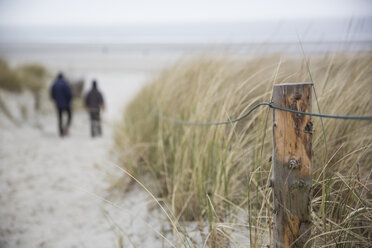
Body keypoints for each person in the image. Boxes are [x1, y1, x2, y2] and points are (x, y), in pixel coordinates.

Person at [51, 73, 73, 137]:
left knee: (60, 118)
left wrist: (56, 100)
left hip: (58, 104)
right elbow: (69, 94)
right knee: (69, 116)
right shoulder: (66, 84)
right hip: (66, 104)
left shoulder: (54, 84)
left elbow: (52, 95)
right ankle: (66, 127)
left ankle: (61, 132)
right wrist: (69, 101)